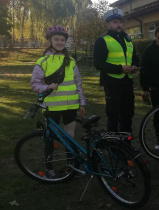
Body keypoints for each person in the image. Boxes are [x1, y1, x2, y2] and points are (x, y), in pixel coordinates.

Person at [31, 26, 86, 178]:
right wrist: (47, 87)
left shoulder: (72, 61)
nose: (60, 42)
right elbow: (34, 84)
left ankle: (71, 165)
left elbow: (78, 83)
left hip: (71, 106)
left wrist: (82, 102)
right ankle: (49, 168)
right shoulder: (43, 61)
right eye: (56, 39)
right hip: (52, 107)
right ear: (50, 40)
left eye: (63, 40)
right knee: (49, 138)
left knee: (70, 136)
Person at [93, 8, 139, 136]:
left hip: (127, 83)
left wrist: (135, 66)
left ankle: (126, 145)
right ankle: (113, 147)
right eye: (115, 22)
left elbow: (135, 58)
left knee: (128, 115)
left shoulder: (128, 40)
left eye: (120, 22)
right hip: (112, 84)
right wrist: (120, 68)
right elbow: (98, 63)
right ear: (108, 24)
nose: (118, 25)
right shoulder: (102, 40)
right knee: (113, 116)